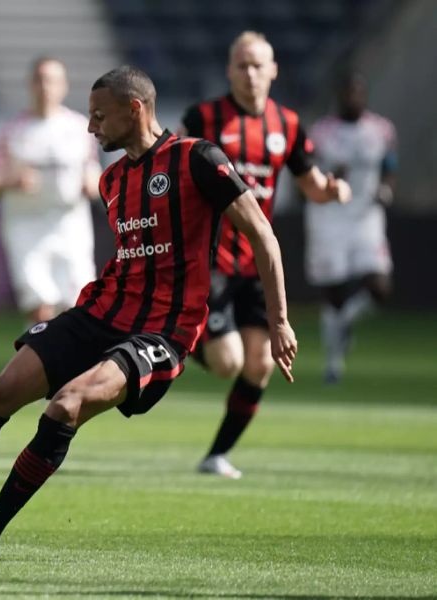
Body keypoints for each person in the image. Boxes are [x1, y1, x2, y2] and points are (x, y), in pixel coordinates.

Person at [0, 66, 298, 564]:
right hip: (99, 312)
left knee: (66, 405)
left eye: (100, 116)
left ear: (134, 110)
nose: (90, 126)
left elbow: (262, 235)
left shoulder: (198, 159)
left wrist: (277, 322)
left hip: (161, 331)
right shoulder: (114, 179)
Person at [180, 31, 350, 479]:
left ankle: (216, 455)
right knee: (228, 362)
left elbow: (310, 184)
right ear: (229, 70)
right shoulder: (204, 117)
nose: (250, 73)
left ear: (273, 70)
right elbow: (175, 166)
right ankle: (180, 337)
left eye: (258, 65)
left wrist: (332, 190)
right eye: (242, 64)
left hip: (256, 264)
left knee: (259, 365)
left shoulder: (288, 125)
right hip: (213, 259)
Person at [0, 56, 102, 325]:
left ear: (64, 86)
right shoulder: (14, 131)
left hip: (70, 227)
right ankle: (39, 365)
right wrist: (11, 181)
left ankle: (70, 366)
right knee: (40, 308)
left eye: (53, 80)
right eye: (40, 80)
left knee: (77, 307)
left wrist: (93, 185)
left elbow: (93, 173)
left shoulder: (80, 128)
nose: (46, 87)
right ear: (31, 85)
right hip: (26, 227)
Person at [305, 72, 397, 383]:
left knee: (380, 287)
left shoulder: (380, 130)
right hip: (329, 216)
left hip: (365, 217)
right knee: (334, 293)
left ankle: (344, 322)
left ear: (364, 95)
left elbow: (389, 165)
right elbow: (305, 169)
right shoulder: (321, 132)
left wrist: (386, 188)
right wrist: (329, 173)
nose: (353, 98)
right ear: (339, 96)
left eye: (357, 93)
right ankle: (333, 364)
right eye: (347, 93)